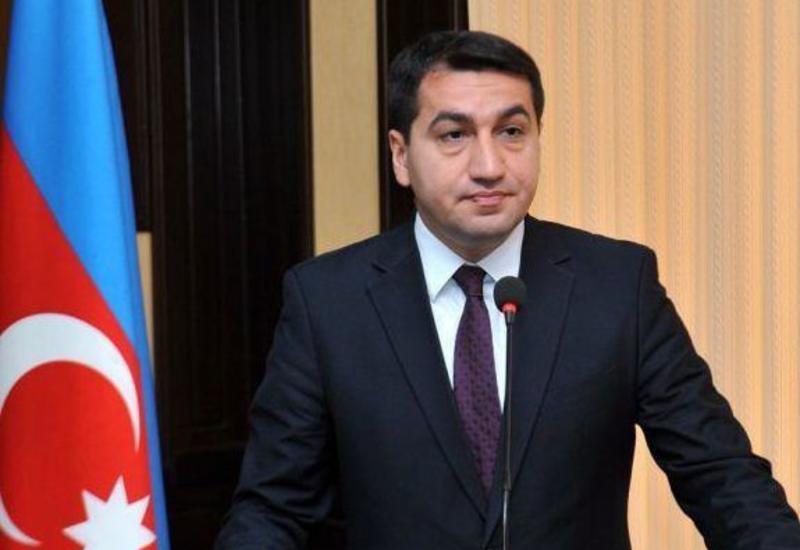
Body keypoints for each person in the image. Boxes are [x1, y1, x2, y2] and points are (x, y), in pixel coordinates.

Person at [216, 30, 800, 549]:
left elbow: (722, 476)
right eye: (454, 135)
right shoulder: (328, 301)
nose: (489, 165)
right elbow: (274, 510)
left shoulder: (617, 285)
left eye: (512, 132)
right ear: (401, 156)